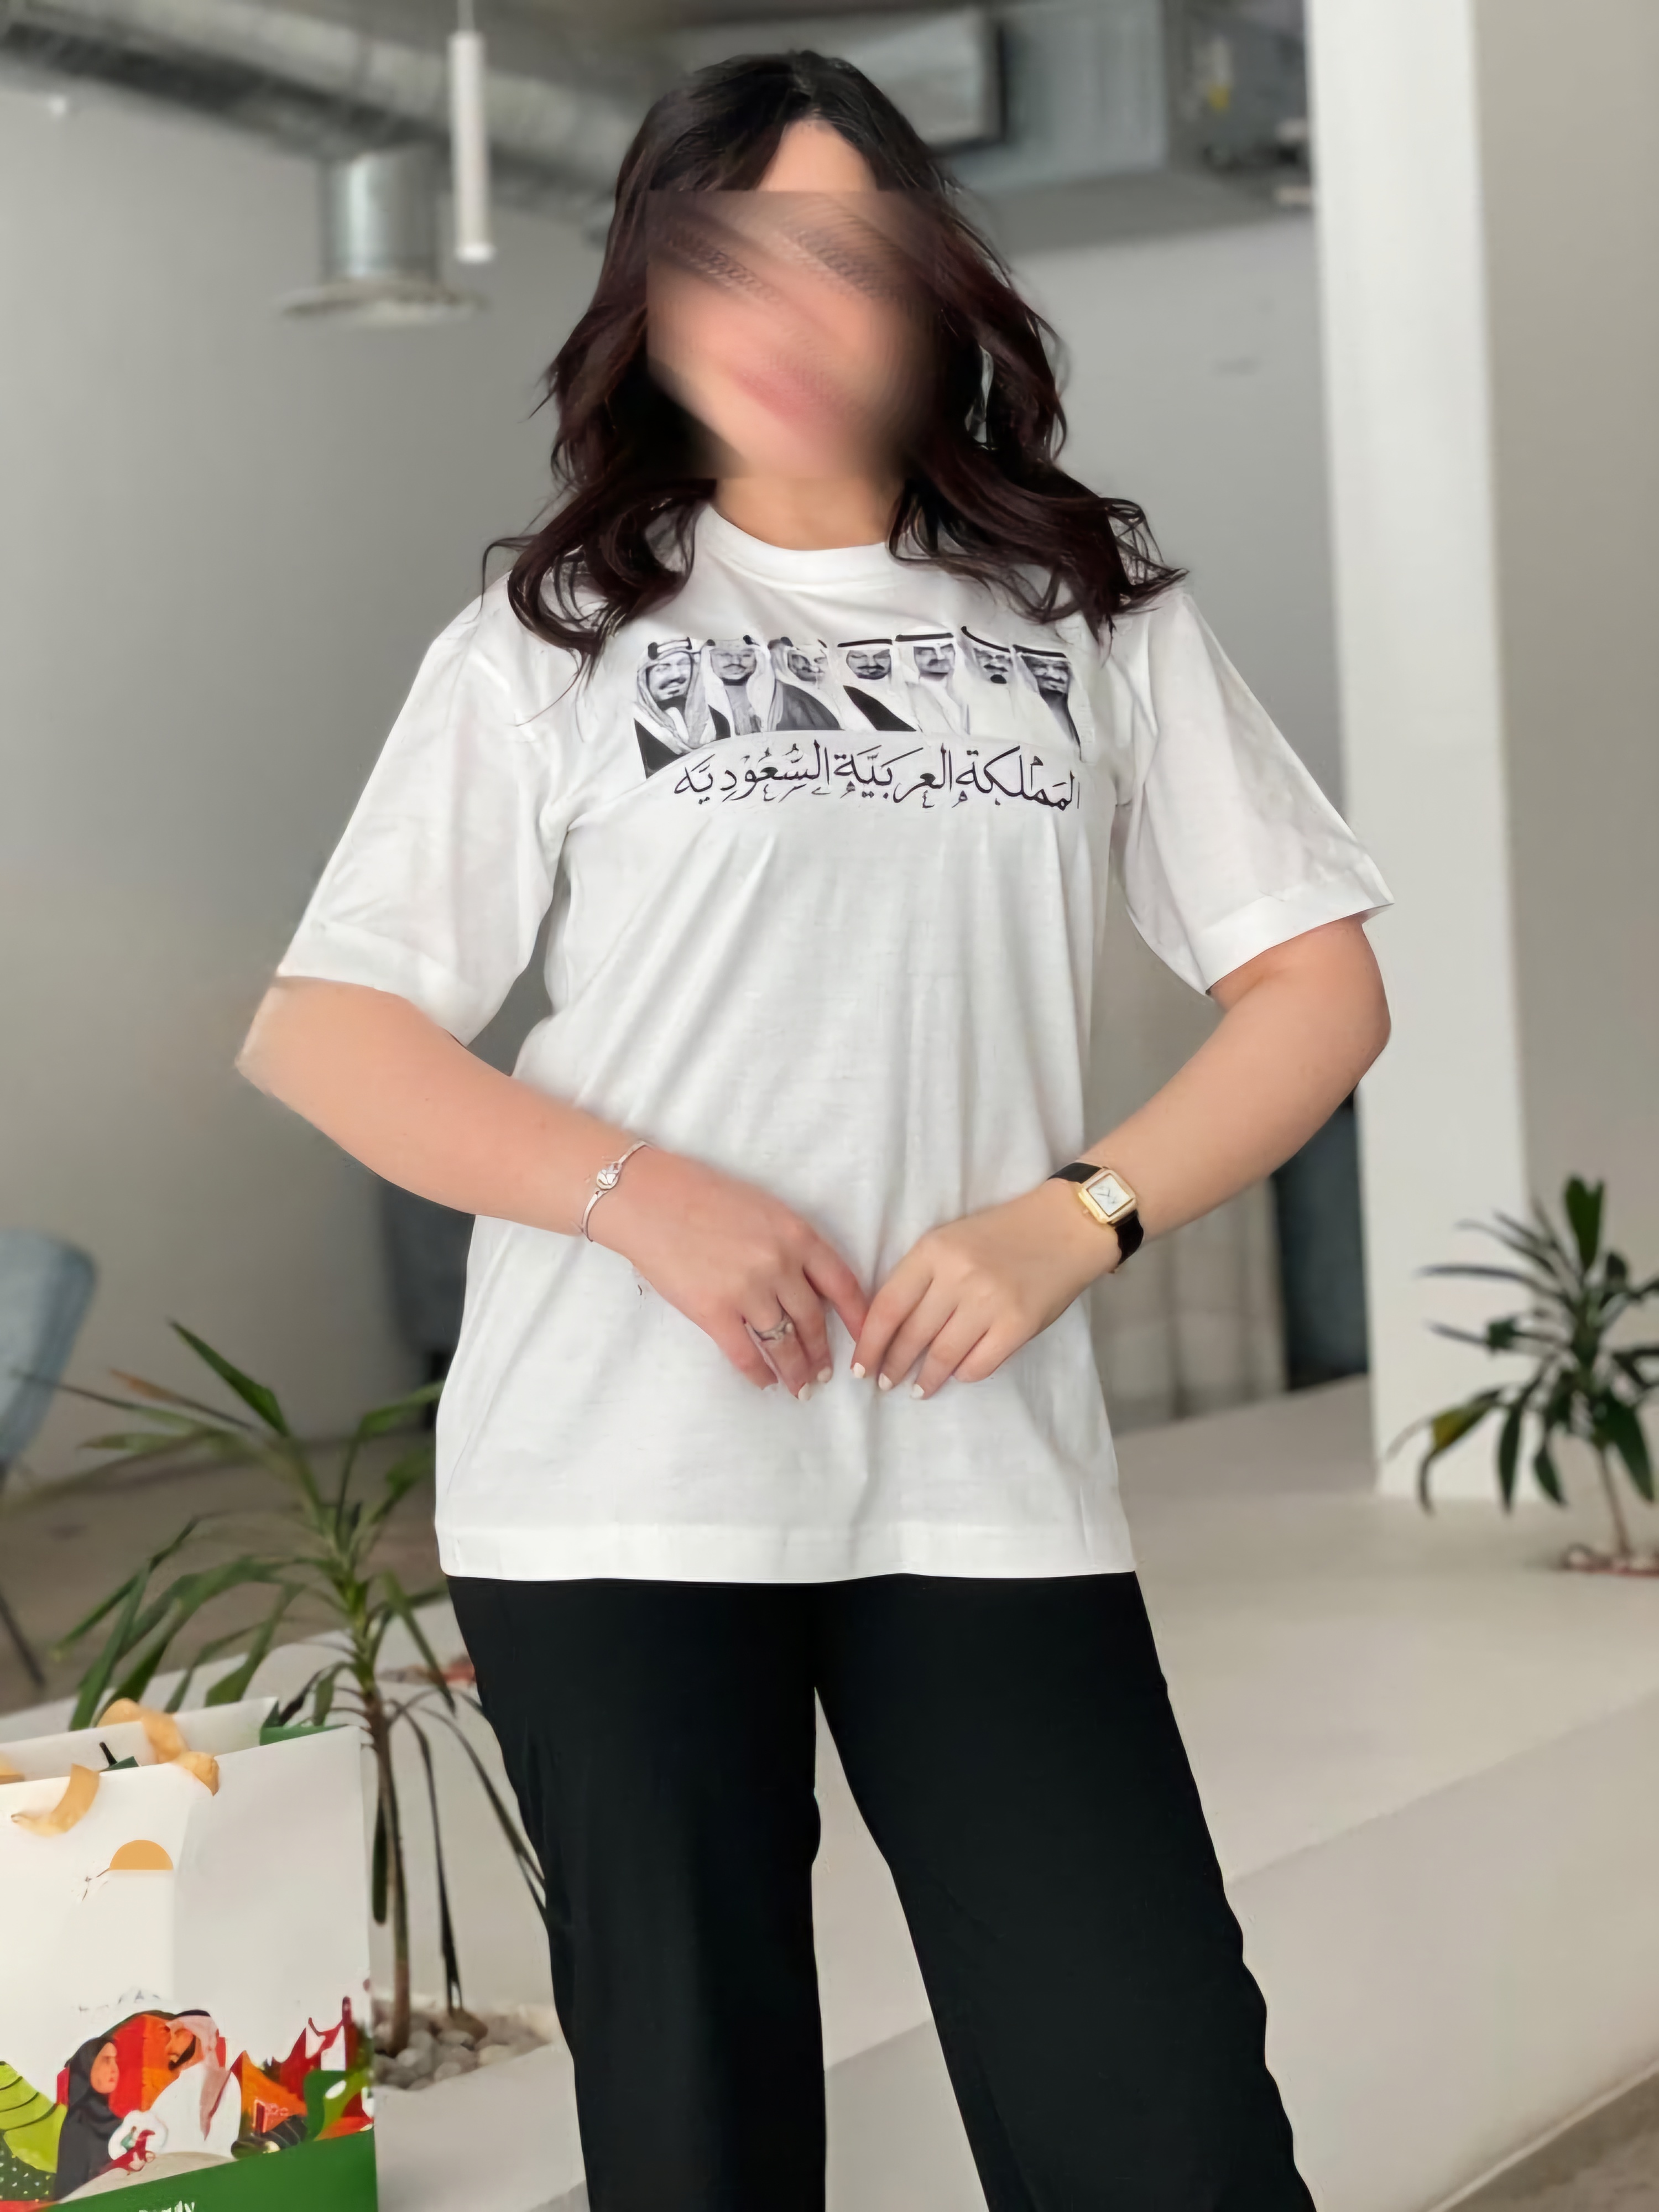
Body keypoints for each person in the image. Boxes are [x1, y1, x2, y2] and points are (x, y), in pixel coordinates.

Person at [239, 48, 1391, 2212]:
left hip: (981, 1469)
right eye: (723, 262)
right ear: (648, 302)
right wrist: (641, 1198)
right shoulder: (557, 636)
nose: (783, 317)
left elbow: (1320, 991)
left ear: (935, 290)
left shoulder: (1091, 616)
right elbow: (328, 1032)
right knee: (704, 2145)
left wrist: (1078, 1214)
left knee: (1164, 2124)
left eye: (845, 258)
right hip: (615, 1480)